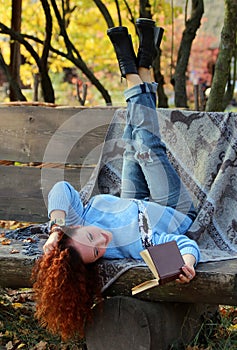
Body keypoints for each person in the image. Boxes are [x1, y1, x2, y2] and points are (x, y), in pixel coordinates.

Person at [32, 18, 200, 341]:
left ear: (75, 228)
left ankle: (143, 63)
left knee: (130, 140)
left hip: (134, 201)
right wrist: (187, 262)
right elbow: (184, 244)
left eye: (92, 237)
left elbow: (61, 190)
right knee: (144, 145)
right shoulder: (137, 245)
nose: (103, 241)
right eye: (98, 251)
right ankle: (132, 67)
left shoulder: (76, 219)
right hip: (170, 209)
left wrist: (56, 228)